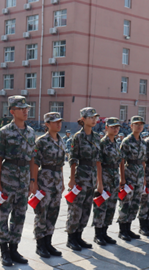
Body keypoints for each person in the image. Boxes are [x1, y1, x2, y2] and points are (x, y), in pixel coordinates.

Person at [0, 96, 36, 266]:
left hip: (24, 178)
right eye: (21, 109)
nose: (25, 111)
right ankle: (4, 251)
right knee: (3, 215)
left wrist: (33, 180)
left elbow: (33, 158)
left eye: (27, 108)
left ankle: (14, 249)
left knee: (20, 215)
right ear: (12, 111)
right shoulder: (4, 132)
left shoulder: (31, 132)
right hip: (7, 178)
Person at [66, 107, 102, 251]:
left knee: (86, 208)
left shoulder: (97, 137)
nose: (94, 120)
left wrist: (99, 182)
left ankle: (79, 236)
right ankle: (71, 238)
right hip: (81, 176)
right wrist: (72, 179)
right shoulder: (78, 137)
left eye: (95, 117)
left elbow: (99, 161)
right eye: (91, 117)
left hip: (92, 176)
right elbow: (73, 158)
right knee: (76, 208)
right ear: (83, 120)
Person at [32, 112, 65, 257]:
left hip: (57, 181)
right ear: (47, 124)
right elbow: (35, 163)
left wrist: (63, 181)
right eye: (55, 122)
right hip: (44, 180)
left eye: (60, 122)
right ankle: (40, 245)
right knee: (42, 213)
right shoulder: (41, 141)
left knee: (53, 212)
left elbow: (62, 164)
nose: (58, 124)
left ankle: (48, 242)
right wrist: (33, 182)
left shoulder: (61, 140)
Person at [117, 116, 147, 241]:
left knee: (135, 203)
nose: (139, 126)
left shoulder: (143, 142)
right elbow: (121, 161)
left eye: (141, 124)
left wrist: (144, 178)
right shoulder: (127, 141)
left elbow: (144, 161)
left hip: (139, 176)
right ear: (131, 126)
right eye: (136, 124)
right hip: (129, 175)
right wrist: (122, 178)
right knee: (126, 203)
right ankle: (122, 230)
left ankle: (128, 229)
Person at [92, 117, 121, 245]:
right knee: (101, 207)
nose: (115, 129)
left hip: (114, 179)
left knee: (111, 207)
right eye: (112, 127)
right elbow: (98, 164)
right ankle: (98, 234)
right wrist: (100, 183)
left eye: (117, 127)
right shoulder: (102, 143)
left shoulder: (116, 142)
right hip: (104, 178)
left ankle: (105, 232)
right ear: (106, 128)